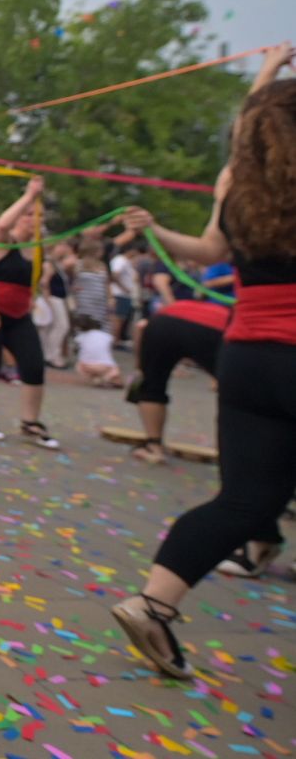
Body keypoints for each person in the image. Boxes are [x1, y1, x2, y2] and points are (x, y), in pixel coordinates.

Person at [111, 42, 296, 679]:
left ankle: (154, 604)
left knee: (244, 502)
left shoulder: (239, 184)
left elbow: (208, 245)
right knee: (254, 501)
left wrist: (269, 73)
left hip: (247, 357)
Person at [0, 176, 59, 449]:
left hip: (18, 316)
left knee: (33, 365)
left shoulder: (36, 250)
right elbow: (3, 223)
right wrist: (30, 196)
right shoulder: (2, 241)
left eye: (37, 216)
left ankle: (30, 422)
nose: (34, 220)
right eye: (29, 216)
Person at [123, 297, 229, 464]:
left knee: (152, 386)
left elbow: (140, 326)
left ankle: (154, 447)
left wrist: (141, 369)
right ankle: (237, 454)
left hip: (165, 321)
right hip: (213, 330)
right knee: (238, 396)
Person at [72, 313, 123, 387]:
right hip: (105, 366)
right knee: (114, 369)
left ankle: (96, 379)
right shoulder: (105, 335)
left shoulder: (80, 336)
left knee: (79, 365)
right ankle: (110, 378)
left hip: (86, 365)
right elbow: (113, 343)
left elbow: (76, 349)